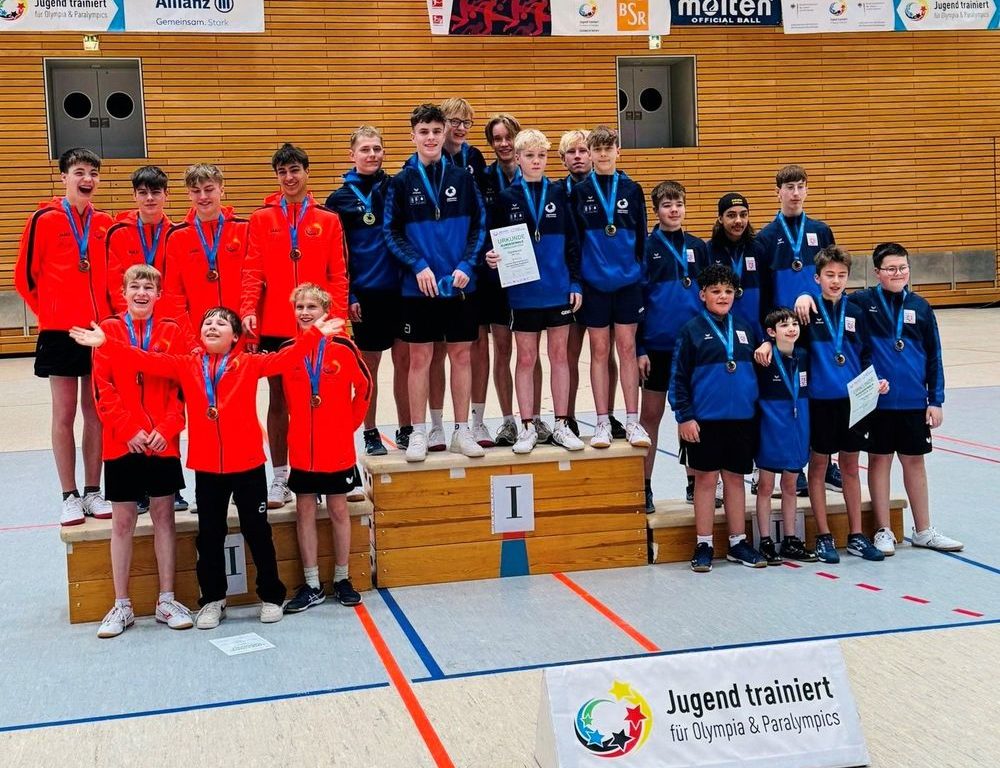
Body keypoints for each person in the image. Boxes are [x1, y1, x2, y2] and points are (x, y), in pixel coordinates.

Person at [70, 307, 345, 629]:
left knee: (257, 532)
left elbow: (285, 359)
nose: (212, 326)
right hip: (207, 468)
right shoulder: (186, 364)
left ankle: (271, 596)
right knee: (210, 536)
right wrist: (107, 343)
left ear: (235, 337)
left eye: (221, 323)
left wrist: (313, 335)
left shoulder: (249, 364)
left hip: (248, 466)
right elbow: (143, 359)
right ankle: (213, 600)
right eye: (207, 322)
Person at [756, 246, 886, 562]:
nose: (836, 281)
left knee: (851, 467)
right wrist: (765, 341)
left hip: (854, 401)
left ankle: (856, 535)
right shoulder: (806, 311)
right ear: (817, 277)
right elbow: (785, 339)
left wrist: (876, 379)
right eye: (829, 275)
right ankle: (824, 536)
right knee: (818, 467)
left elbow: (866, 354)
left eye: (842, 275)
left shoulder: (854, 312)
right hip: (819, 403)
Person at [240, 143, 349, 508]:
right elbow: (251, 271)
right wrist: (248, 312)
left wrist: (338, 320)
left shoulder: (328, 219)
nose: (289, 178)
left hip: (318, 326)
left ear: (306, 172)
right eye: (282, 172)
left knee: (322, 399)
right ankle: (281, 477)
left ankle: (324, 470)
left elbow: (338, 274)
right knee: (279, 399)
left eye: (294, 170)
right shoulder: (261, 218)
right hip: (276, 324)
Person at [14, 147, 113, 525]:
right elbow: (25, 278)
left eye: (92, 173)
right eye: (79, 172)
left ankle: (92, 491)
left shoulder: (105, 222)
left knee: (96, 414)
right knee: (64, 413)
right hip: (59, 331)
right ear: (64, 177)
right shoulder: (43, 219)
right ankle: (68, 494)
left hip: (97, 332)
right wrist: (53, 314)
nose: (86, 179)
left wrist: (106, 322)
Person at [92, 265, 191, 637]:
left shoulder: (171, 332)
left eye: (149, 287)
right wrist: (128, 429)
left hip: (162, 443)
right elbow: (103, 389)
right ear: (123, 291)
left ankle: (166, 599)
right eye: (135, 286)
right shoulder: (108, 331)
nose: (142, 293)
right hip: (122, 442)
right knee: (123, 522)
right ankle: (122, 605)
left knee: (165, 518)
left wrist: (165, 430)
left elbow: (180, 387)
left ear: (158, 295)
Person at [384, 103, 486, 462]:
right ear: (413, 136)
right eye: (423, 132)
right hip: (418, 287)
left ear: (445, 135)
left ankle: (462, 431)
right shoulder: (400, 182)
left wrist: (467, 265)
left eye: (436, 131)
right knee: (420, 359)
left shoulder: (463, 179)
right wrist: (417, 265)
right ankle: (417, 433)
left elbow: (479, 226)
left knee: (461, 356)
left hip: (459, 286)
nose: (430, 138)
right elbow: (391, 231)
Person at [858, 242, 963, 555]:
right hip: (878, 404)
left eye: (902, 267)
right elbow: (856, 349)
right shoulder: (862, 304)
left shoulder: (920, 306)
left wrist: (936, 399)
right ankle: (883, 531)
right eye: (891, 268)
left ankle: (924, 530)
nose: (898, 273)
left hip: (914, 402)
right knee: (878, 461)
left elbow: (934, 356)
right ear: (877, 272)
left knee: (914, 462)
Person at [485, 128, 584, 453]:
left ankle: (561, 424)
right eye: (529, 156)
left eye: (541, 156)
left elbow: (572, 241)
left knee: (559, 357)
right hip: (523, 292)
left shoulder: (559, 192)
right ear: (517, 158)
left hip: (557, 289)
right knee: (525, 358)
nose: (536, 161)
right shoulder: (505, 199)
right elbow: (492, 242)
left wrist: (574, 282)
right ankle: (527, 425)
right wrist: (492, 257)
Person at [282, 284, 371, 612]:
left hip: (336, 448)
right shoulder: (290, 350)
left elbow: (364, 387)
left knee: (337, 510)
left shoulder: (345, 348)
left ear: (326, 312)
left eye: (312, 307)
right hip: (302, 449)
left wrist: (348, 425)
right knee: (304, 510)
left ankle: (342, 577)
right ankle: (312, 583)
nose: (305, 313)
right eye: (300, 307)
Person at [105, 166, 189, 512]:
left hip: (167, 330)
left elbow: (182, 282)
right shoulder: (119, 233)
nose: (150, 198)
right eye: (143, 192)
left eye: (156, 192)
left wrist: (171, 324)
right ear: (135, 196)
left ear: (166, 195)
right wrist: (125, 325)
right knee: (130, 399)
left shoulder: (179, 233)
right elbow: (114, 285)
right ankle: (137, 486)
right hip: (129, 329)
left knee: (170, 399)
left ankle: (171, 485)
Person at [669, 264, 763, 573]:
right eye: (715, 291)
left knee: (735, 480)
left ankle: (737, 542)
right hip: (704, 421)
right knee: (706, 480)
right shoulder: (691, 330)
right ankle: (705, 543)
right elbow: (678, 379)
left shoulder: (747, 329)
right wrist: (685, 417)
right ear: (703, 295)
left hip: (741, 420)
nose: (722, 296)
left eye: (727, 291)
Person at [326, 126, 412, 456]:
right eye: (365, 149)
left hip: (402, 292)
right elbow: (337, 255)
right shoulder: (339, 199)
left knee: (404, 364)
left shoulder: (396, 187)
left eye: (377, 148)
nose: (372, 154)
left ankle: (406, 428)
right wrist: (348, 296)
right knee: (368, 370)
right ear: (352, 155)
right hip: (366, 294)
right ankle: (371, 430)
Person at [755, 164, 840, 494]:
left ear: (806, 190)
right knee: (791, 396)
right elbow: (763, 289)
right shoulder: (765, 237)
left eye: (800, 186)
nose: (795, 193)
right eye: (789, 187)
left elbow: (833, 277)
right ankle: (796, 467)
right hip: (784, 328)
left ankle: (826, 462)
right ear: (777, 192)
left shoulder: (821, 230)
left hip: (818, 326)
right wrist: (768, 333)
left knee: (820, 393)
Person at [570, 125, 649, 449]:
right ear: (589, 154)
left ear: (618, 151)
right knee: (599, 351)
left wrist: (639, 276)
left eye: (608, 148)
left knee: (627, 350)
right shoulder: (579, 192)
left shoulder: (632, 189)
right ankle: (602, 421)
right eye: (596, 149)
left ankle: (632, 421)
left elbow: (642, 238)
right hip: (595, 284)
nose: (602, 154)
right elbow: (574, 242)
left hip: (628, 283)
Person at [637, 181, 709, 513]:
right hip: (657, 347)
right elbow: (637, 302)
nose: (674, 210)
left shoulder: (699, 247)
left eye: (679, 203)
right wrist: (640, 348)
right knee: (650, 416)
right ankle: (645, 486)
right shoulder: (647, 247)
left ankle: (695, 484)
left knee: (691, 417)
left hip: (692, 348)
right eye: (667, 205)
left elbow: (711, 297)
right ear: (656, 210)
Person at [559, 129, 623, 439]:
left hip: (601, 283)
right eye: (571, 152)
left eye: (583, 150)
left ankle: (607, 416)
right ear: (563, 159)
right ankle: (567, 417)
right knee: (569, 353)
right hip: (571, 283)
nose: (578, 156)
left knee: (604, 351)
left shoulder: (615, 187)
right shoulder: (558, 192)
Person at [472, 113, 527, 448]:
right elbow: (476, 224)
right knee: (499, 350)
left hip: (524, 276)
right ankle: (507, 420)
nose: (504, 144)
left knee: (526, 351)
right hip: (491, 276)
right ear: (491, 144)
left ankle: (530, 419)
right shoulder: (483, 178)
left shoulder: (533, 176)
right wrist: (484, 256)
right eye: (497, 139)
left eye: (509, 137)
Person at [753, 308, 816, 566]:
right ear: (771, 332)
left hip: (797, 430)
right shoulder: (763, 359)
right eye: (784, 326)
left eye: (793, 324)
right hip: (771, 430)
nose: (791, 329)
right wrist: (766, 345)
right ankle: (766, 540)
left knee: (791, 486)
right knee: (766, 487)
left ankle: (790, 539)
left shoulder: (804, 356)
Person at [162, 163, 249, 347]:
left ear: (221, 190)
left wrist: (251, 334)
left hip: (240, 334)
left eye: (209, 189)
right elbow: (174, 296)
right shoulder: (177, 237)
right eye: (196, 191)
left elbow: (253, 283)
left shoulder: (244, 229)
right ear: (189, 194)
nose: (203, 196)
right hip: (197, 337)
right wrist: (189, 341)